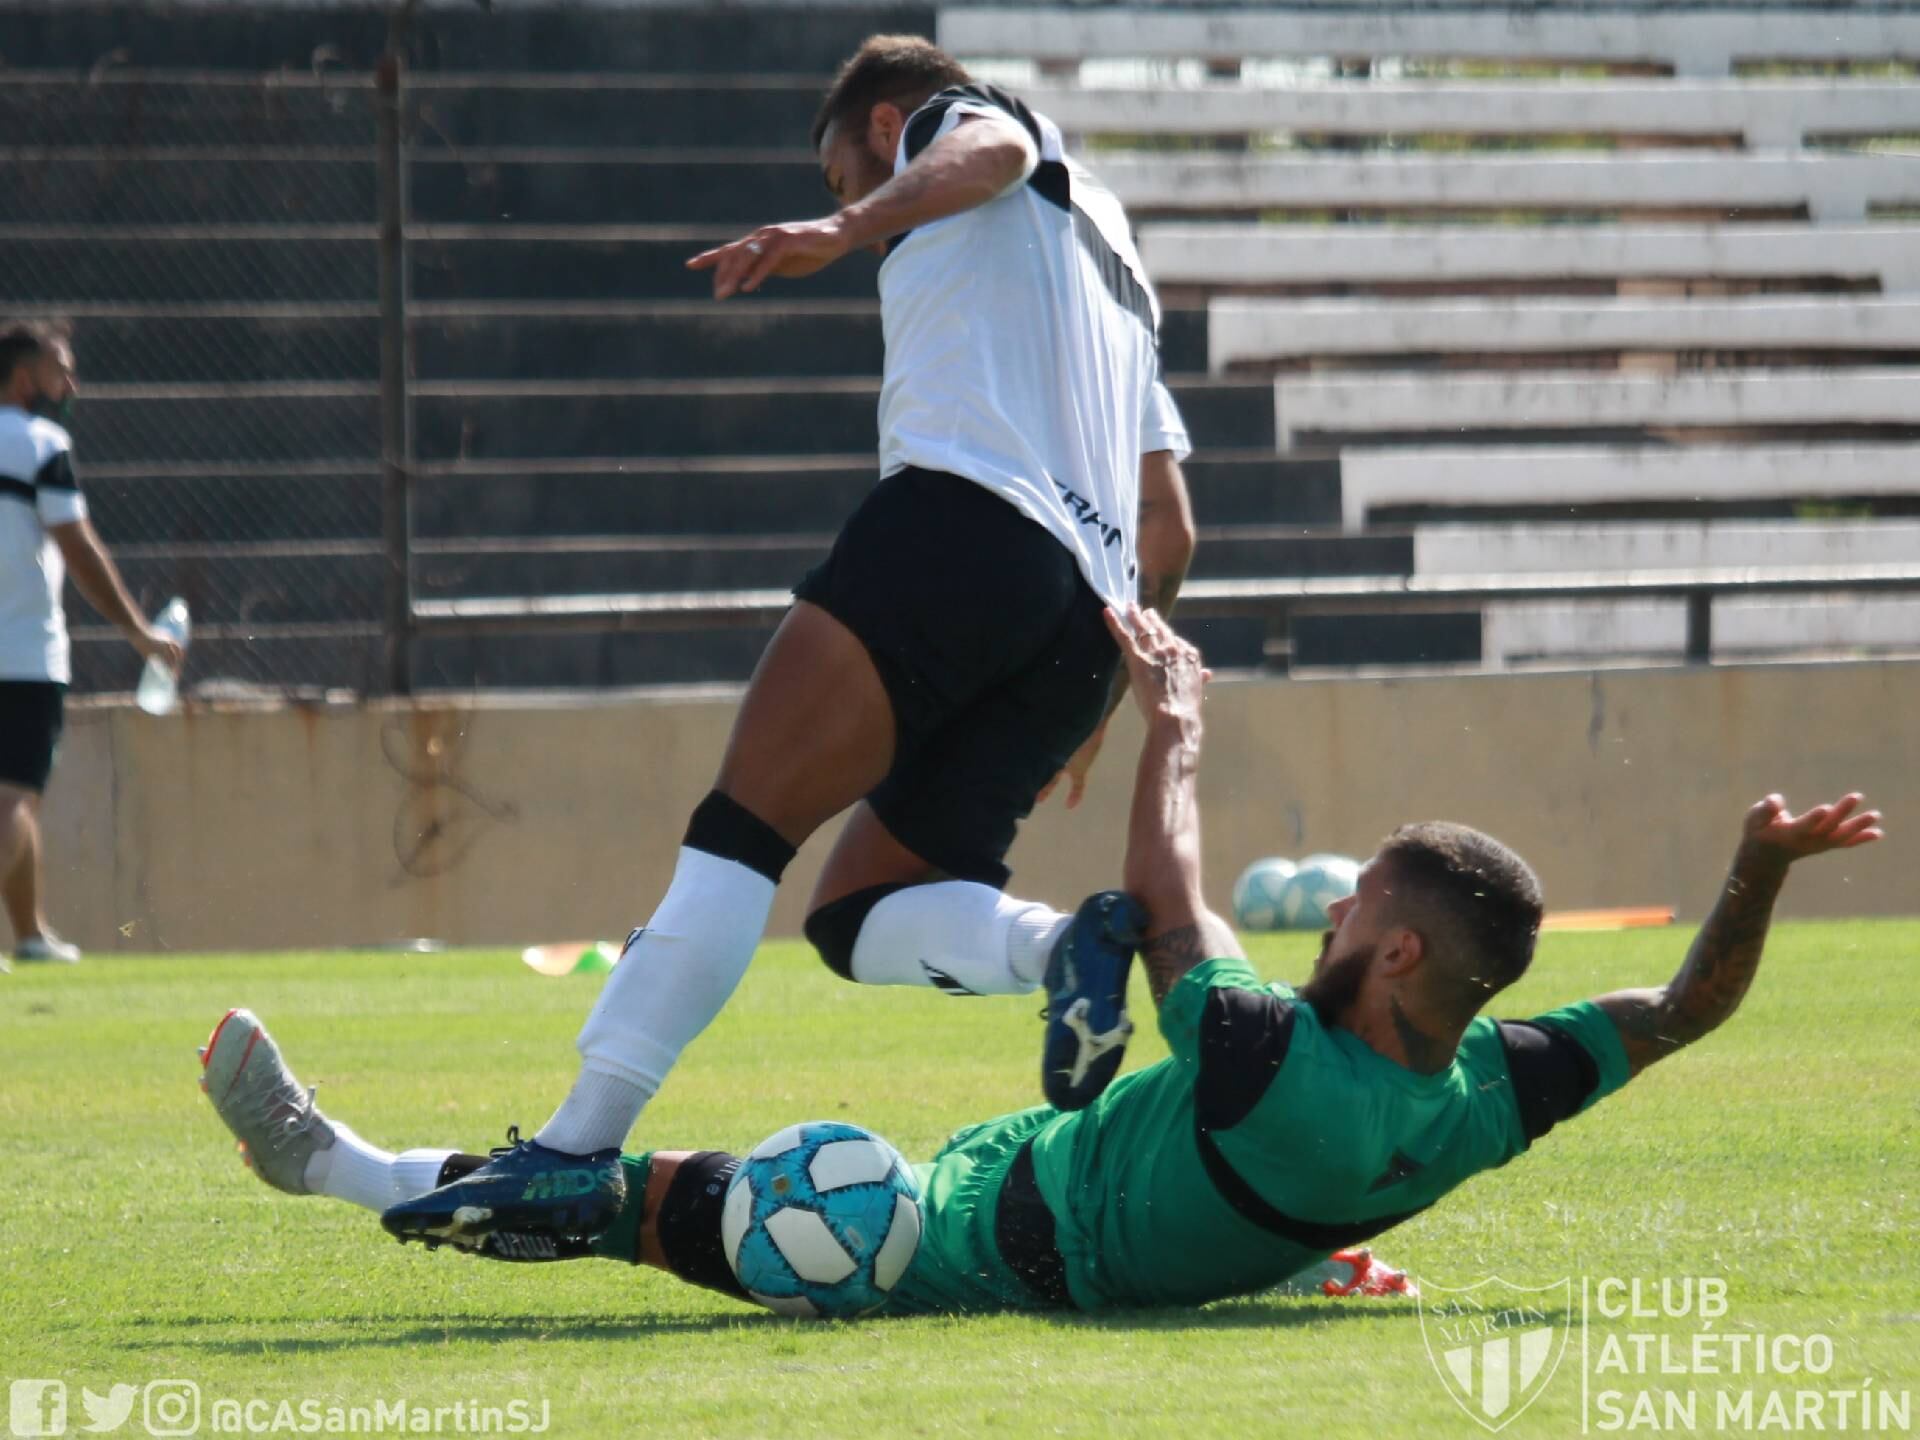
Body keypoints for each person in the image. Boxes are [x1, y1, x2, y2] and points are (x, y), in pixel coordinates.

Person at [200, 605, 1880, 1315]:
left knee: (661, 1204)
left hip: (957, 1245)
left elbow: (1170, 899)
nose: (1333, 918)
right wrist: (1755, 871)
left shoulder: (1268, 1063)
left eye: (1355, 906)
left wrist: (1179, 729)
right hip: (1107, 1205)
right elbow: (1681, 1009)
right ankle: (1283, 1256)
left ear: (1394, 950)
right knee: (1268, 1228)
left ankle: (332, 1167)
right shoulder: (1476, 1103)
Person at [375, 37, 1198, 1242]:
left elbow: (993, 142)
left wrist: (844, 226)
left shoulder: (949, 128)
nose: (842, 203)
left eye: (834, 176)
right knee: (858, 910)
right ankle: (1063, 947)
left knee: (740, 835)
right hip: (1086, 621)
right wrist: (1107, 700)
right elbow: (1170, 521)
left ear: (878, 123)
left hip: (961, 528)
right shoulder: (1115, 256)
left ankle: (573, 1146)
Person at [0, 321, 182, 971]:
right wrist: (139, 631)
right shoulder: (42, 442)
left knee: (20, 800)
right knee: (16, 795)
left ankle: (28, 934)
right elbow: (78, 547)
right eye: (60, 371)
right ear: (26, 377)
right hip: (21, 652)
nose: (70, 385)